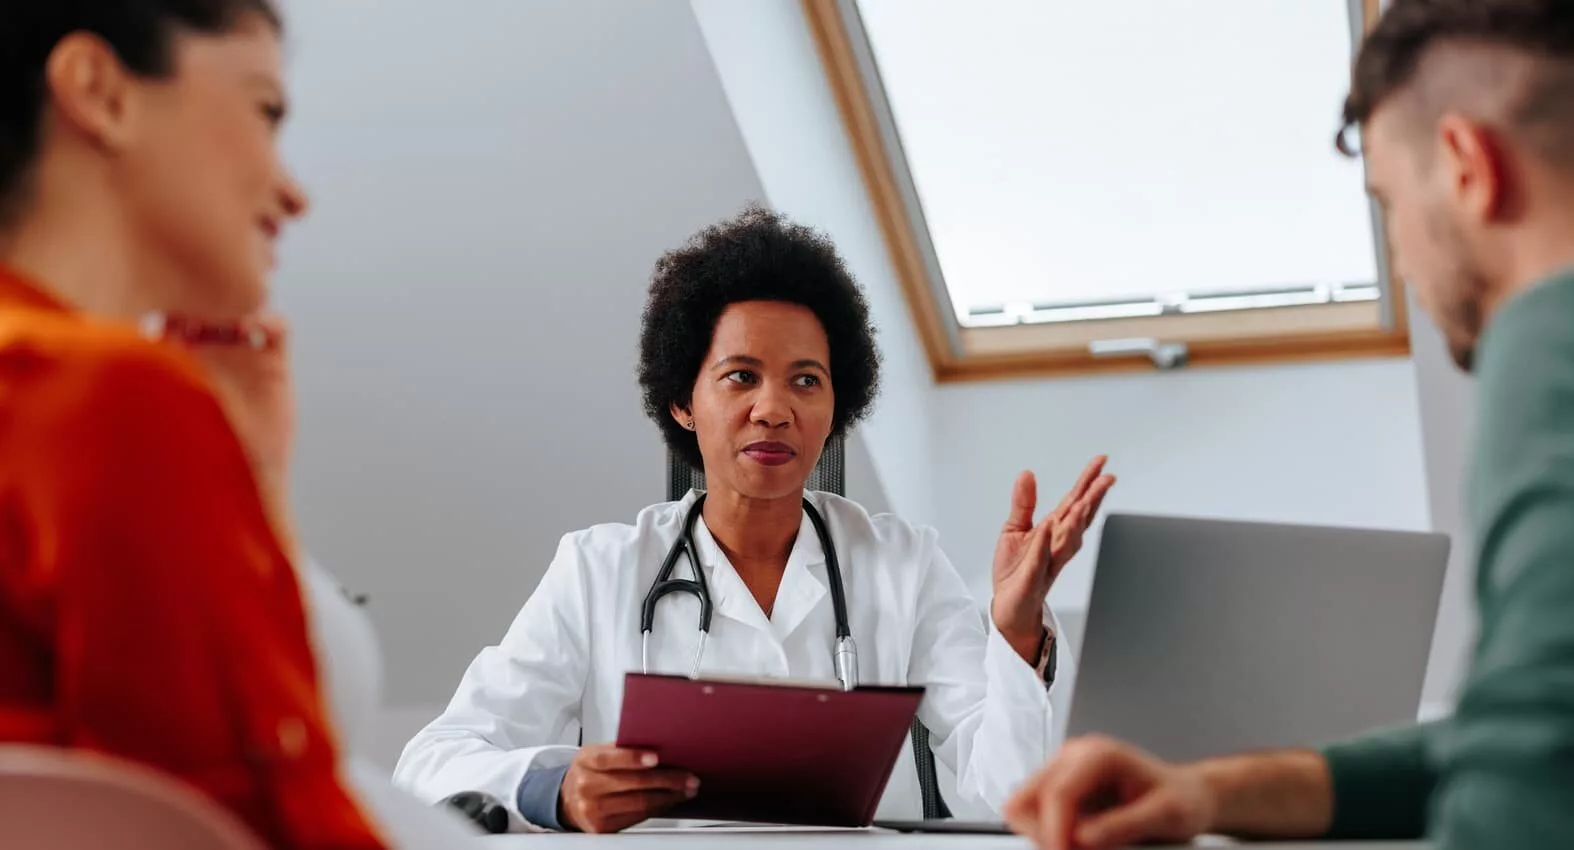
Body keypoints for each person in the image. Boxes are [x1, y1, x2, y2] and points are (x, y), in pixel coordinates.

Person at [1003, 1, 1574, 848]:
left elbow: (1523, 794)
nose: (1402, 260)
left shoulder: (1547, 336)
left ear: (1465, 166)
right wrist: (1203, 791)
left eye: (1388, 202)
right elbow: (1514, 741)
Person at [392, 205, 1116, 833]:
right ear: (683, 401)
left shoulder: (903, 565)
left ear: (837, 407)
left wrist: (1017, 631)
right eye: (741, 376)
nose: (774, 408)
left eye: (806, 380)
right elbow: (433, 760)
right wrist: (554, 788)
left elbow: (1019, 792)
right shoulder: (600, 568)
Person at [0, 3, 476, 847]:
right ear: (99, 91)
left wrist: (244, 476)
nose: (293, 194)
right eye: (266, 112)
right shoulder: (103, 397)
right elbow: (258, 824)